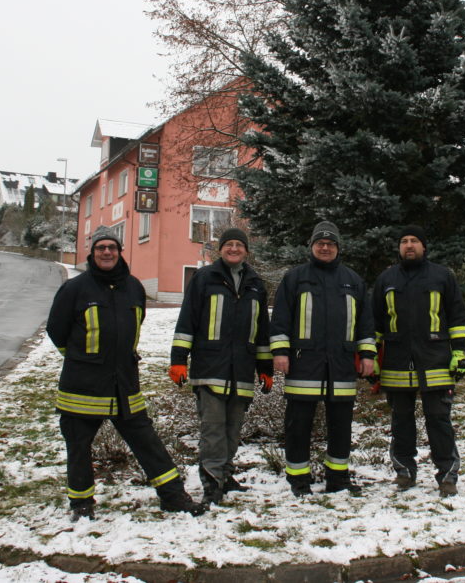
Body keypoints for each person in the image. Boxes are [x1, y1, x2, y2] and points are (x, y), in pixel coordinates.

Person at [46, 226, 205, 521]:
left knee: (147, 442)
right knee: (78, 446)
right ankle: (81, 503)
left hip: (124, 384)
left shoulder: (134, 287)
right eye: (101, 248)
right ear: (92, 253)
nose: (107, 252)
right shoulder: (74, 289)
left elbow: (136, 322)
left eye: (112, 247)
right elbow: (57, 330)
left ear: (119, 252)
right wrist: (83, 359)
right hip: (83, 386)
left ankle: (173, 496)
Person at [269, 221, 377, 496]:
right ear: (312, 246)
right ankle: (298, 479)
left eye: (330, 244)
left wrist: (367, 355)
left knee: (341, 426)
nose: (325, 247)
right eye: (320, 243)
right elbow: (280, 318)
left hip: (341, 365)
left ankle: (338, 478)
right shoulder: (295, 278)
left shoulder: (353, 281)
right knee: (298, 425)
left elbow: (365, 323)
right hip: (303, 364)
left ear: (338, 248)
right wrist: (280, 352)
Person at [169, 228, 273, 505]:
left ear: (246, 251)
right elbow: (187, 320)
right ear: (221, 249)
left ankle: (225, 475)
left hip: (242, 370)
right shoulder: (204, 278)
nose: (234, 249)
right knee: (213, 429)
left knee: (232, 430)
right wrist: (178, 360)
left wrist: (265, 367)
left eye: (239, 244)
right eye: (229, 244)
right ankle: (212, 482)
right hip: (209, 368)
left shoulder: (256, 284)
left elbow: (262, 330)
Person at [372, 225, 465, 497]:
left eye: (414, 240)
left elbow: (457, 317)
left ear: (424, 246)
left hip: (436, 360)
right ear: (399, 247)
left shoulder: (442, 276)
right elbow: (376, 322)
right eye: (404, 241)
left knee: (439, 420)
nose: (409, 245)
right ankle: (404, 472)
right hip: (396, 362)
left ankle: (447, 475)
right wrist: (372, 356)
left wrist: (460, 353)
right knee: (401, 421)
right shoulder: (386, 279)